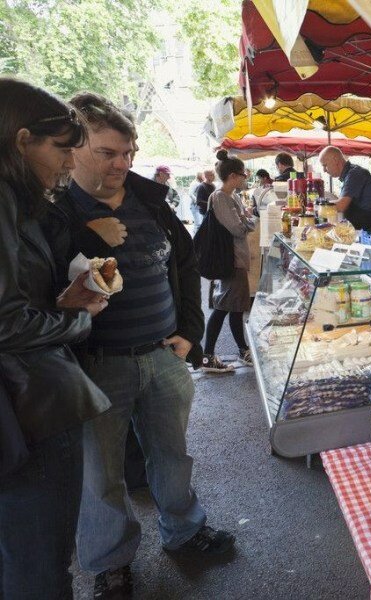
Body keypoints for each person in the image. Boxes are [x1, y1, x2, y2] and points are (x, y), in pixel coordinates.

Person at [46, 92, 234, 599]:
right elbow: (44, 284)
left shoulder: (149, 198)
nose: (122, 163)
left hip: (162, 355)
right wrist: (92, 234)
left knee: (172, 456)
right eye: (108, 153)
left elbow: (188, 262)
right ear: (77, 146)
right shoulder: (55, 210)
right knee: (100, 473)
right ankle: (110, 563)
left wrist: (191, 333)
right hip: (95, 364)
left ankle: (185, 530)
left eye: (129, 152)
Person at [0, 77, 111, 600]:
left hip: (25, 402)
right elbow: (6, 320)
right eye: (63, 149)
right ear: (22, 140)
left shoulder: (21, 203)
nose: (70, 163)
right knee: (39, 564)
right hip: (30, 406)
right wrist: (79, 318)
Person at [200, 150, 256, 373]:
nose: (245, 178)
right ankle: (207, 357)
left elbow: (244, 221)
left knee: (234, 308)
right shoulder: (221, 197)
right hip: (229, 260)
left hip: (235, 258)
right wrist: (247, 221)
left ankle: (242, 351)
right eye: (244, 175)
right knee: (223, 308)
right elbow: (238, 228)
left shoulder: (230, 197)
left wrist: (245, 219)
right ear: (233, 176)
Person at [318, 145, 371, 234]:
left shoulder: (354, 174)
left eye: (325, 165)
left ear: (335, 159)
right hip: (370, 227)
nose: (324, 170)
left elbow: (341, 205)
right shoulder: (350, 174)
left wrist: (318, 206)